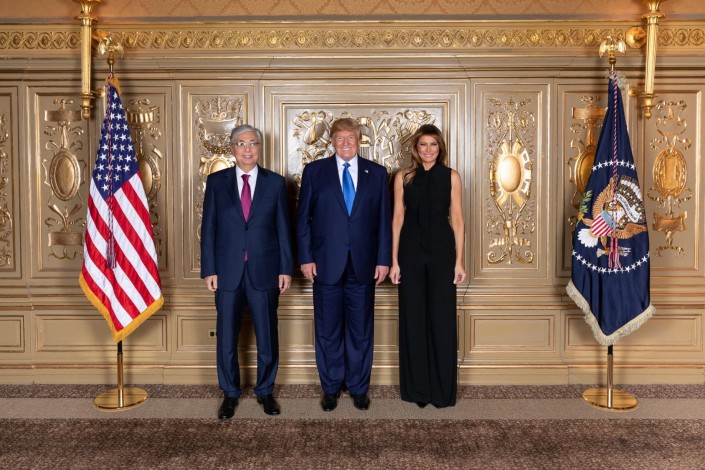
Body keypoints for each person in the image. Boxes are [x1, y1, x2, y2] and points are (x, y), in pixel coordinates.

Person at [296, 117, 392, 412]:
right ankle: (330, 387)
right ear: (332, 142)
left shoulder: (377, 173)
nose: (346, 143)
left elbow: (384, 221)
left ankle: (359, 387)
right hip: (325, 264)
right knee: (327, 330)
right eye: (340, 138)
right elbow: (303, 219)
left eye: (351, 137)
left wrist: (383, 260)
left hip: (364, 264)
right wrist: (306, 258)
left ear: (359, 140)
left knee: (360, 331)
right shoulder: (315, 171)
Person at [201, 124, 293, 419]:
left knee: (267, 335)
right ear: (232, 149)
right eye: (241, 143)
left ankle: (265, 391)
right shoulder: (216, 182)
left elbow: (283, 229)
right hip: (226, 272)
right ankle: (230, 393)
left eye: (253, 143)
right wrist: (209, 269)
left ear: (259, 148)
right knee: (227, 337)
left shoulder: (275, 183)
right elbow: (209, 228)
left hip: (265, 270)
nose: (247, 149)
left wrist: (285, 268)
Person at [389, 124, 466, 408]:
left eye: (433, 144)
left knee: (441, 320)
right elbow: (397, 219)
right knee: (413, 319)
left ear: (440, 148)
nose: (428, 150)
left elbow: (457, 219)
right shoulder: (403, 177)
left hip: (443, 252)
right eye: (423, 144)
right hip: (409, 252)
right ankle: (417, 390)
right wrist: (394, 261)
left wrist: (459, 261)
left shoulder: (452, 177)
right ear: (416, 148)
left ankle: (442, 391)